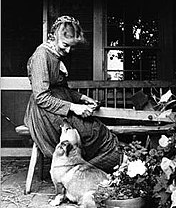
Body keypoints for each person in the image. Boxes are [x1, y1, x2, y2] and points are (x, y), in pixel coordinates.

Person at [24, 15, 122, 173]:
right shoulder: (42, 55)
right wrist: (74, 108)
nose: (68, 50)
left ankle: (82, 169)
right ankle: (79, 170)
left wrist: (83, 98)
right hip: (45, 112)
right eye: (65, 45)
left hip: (59, 105)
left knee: (97, 130)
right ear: (55, 36)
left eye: (72, 47)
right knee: (92, 132)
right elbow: (41, 97)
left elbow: (62, 89)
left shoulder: (56, 55)